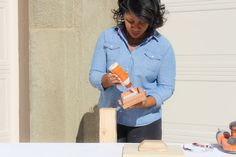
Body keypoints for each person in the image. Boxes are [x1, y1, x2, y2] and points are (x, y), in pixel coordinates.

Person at [89, 0, 176, 143]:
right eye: (130, 21)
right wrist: (105, 80)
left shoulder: (163, 46)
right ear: (123, 14)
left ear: (151, 20)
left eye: (142, 23)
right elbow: (94, 74)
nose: (135, 27)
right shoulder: (107, 37)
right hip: (110, 119)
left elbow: (166, 87)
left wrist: (146, 102)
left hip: (146, 122)